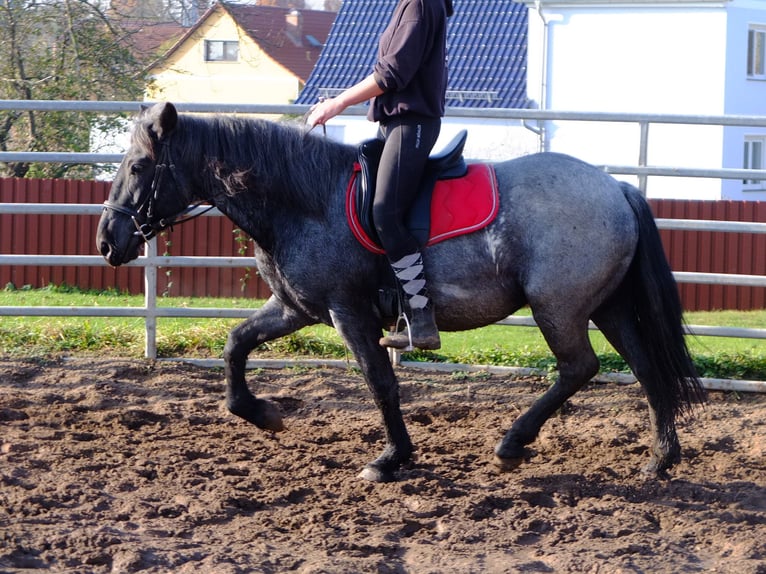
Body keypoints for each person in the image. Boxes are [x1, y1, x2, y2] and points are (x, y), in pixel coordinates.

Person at [307, 0, 453, 351]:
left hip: (411, 124)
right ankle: (382, 299)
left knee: (385, 211)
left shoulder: (419, 4)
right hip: (395, 122)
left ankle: (421, 317)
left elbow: (392, 74)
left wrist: (338, 103)